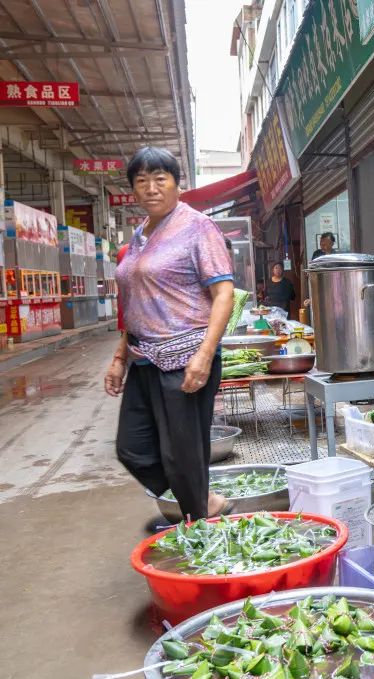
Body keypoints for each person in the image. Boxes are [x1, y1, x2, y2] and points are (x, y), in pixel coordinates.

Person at [105, 146, 234, 521]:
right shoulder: (139, 235)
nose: (151, 188)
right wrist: (120, 357)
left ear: (178, 184)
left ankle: (201, 527)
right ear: (133, 188)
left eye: (160, 178)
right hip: (143, 360)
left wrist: (205, 355)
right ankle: (202, 497)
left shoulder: (197, 227)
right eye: (141, 180)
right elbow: (134, 303)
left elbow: (223, 293)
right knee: (132, 448)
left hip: (185, 360)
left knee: (182, 456)